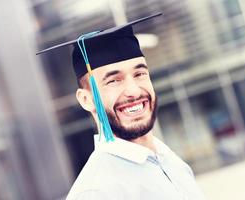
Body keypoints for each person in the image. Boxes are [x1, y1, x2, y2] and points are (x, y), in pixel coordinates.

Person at [37, 13, 205, 200]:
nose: (133, 91)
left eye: (139, 74)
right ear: (86, 99)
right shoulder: (95, 193)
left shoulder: (171, 161)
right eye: (113, 81)